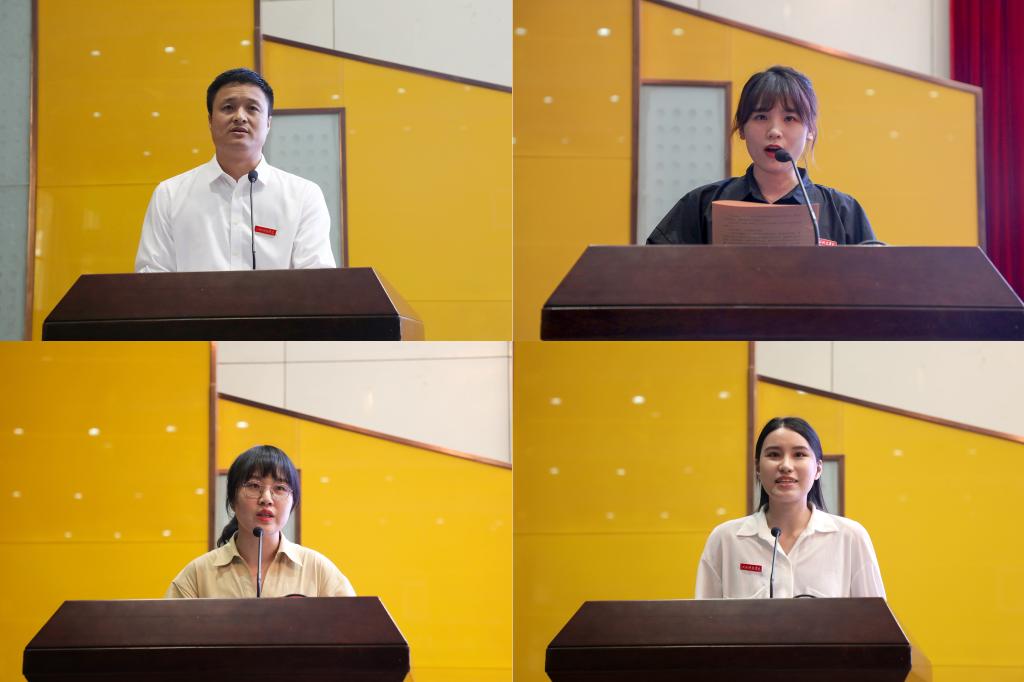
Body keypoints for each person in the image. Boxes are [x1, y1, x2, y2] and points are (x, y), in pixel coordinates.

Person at [647, 66, 875, 246]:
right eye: (761, 117)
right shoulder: (702, 205)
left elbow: (873, 281)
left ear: (810, 131)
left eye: (789, 118)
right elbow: (656, 270)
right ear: (742, 129)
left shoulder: (842, 211)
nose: (774, 131)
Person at [135, 68, 336, 271]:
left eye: (252, 108)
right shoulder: (170, 195)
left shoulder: (303, 196)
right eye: (228, 107)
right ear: (210, 120)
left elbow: (318, 279)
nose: (240, 117)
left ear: (268, 123)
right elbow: (152, 277)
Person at [695, 417, 885, 599]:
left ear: (818, 469)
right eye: (774, 455)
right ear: (758, 468)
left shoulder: (850, 537)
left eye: (799, 455)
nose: (785, 466)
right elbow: (703, 618)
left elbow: (874, 619)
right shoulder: (726, 539)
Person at [166, 445, 355, 598]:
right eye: (254, 486)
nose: (266, 498)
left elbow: (354, 628)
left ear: (293, 502)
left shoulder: (317, 570)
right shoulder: (198, 575)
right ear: (232, 499)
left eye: (280, 488)